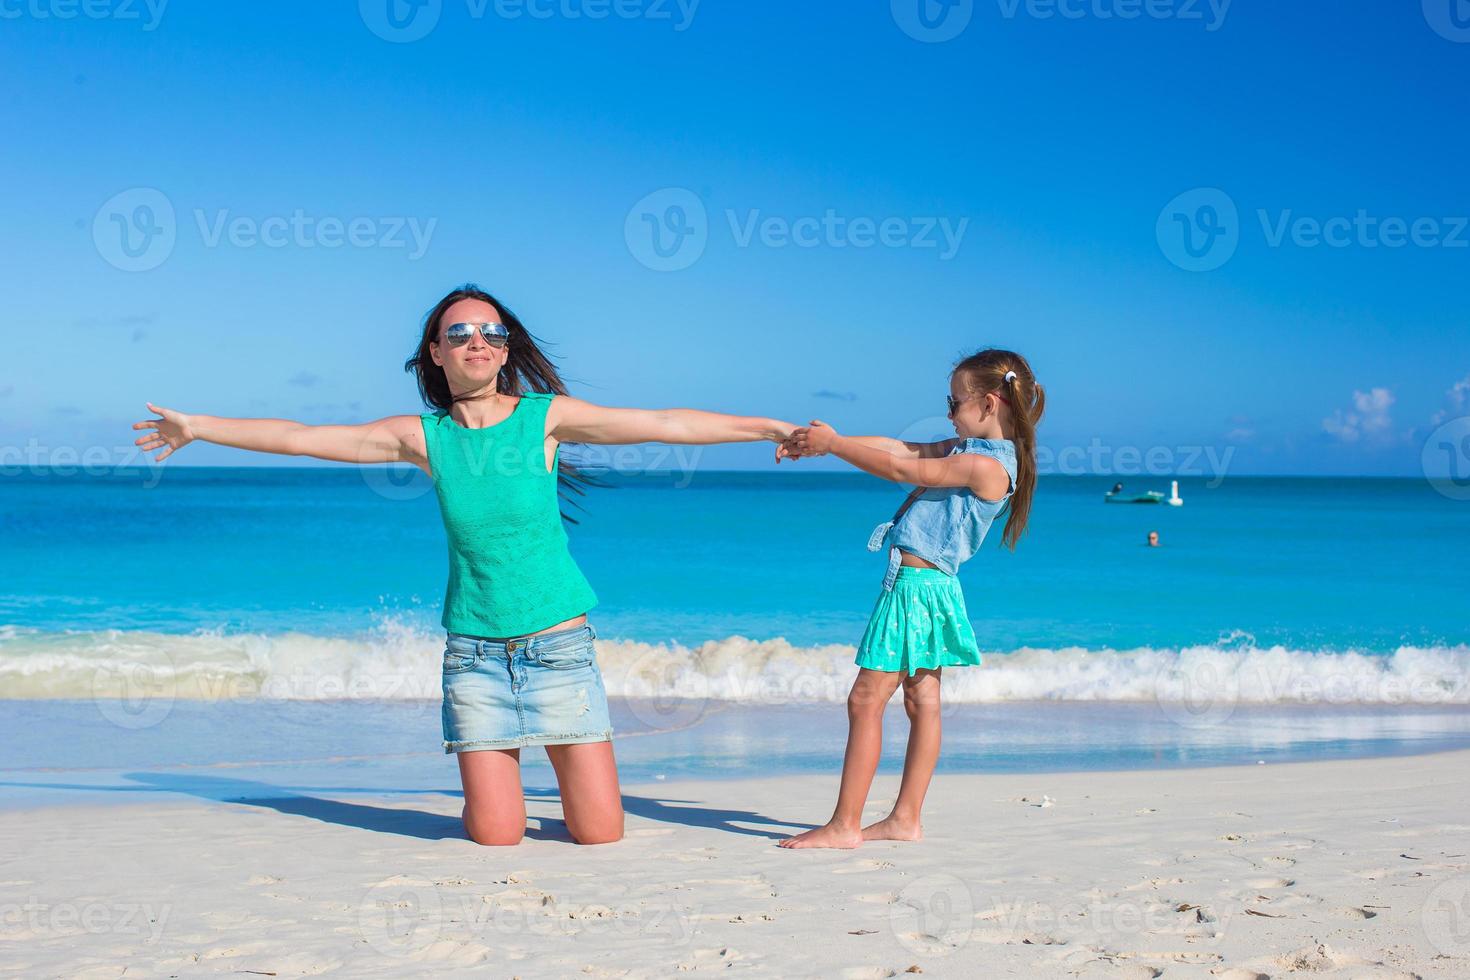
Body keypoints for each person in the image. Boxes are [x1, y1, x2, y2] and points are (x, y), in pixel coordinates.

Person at [131, 284, 798, 846]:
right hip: (474, 657)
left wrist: (768, 429)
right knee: (497, 837)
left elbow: (665, 424)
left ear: (505, 349)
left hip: (559, 647)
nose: (477, 341)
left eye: (491, 332)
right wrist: (199, 427)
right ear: (436, 352)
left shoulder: (546, 420)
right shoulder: (426, 437)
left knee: (600, 834)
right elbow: (302, 438)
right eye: (460, 334)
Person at [775, 349, 1043, 849]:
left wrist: (834, 446)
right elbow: (901, 448)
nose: (948, 410)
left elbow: (905, 472)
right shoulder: (969, 450)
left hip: (915, 591)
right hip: (933, 590)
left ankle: (844, 825)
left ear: (987, 404)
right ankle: (904, 820)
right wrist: (826, 441)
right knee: (922, 702)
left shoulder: (986, 467)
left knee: (865, 700)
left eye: (954, 401)